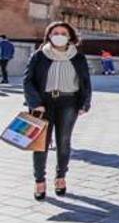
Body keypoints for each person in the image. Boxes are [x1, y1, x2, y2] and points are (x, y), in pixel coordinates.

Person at [22, 22, 92, 200]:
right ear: (49, 35)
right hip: (43, 103)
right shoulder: (39, 55)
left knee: (64, 141)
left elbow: (85, 82)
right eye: (55, 32)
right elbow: (28, 80)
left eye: (63, 33)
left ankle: (61, 177)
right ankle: (39, 180)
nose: (59, 35)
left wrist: (85, 103)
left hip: (68, 102)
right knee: (40, 144)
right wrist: (35, 102)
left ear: (70, 36)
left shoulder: (78, 57)